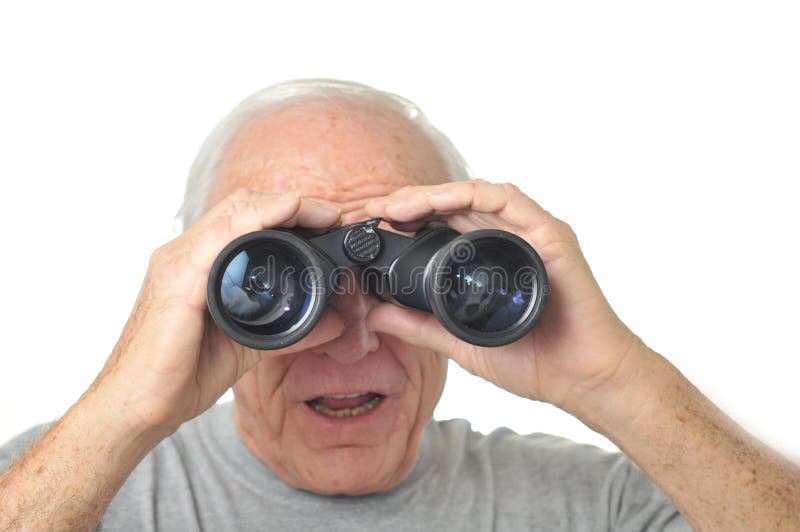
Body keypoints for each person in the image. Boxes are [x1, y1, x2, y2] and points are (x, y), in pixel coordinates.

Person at [0, 79, 797, 531]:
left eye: (398, 277)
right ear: (195, 290)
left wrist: (619, 384)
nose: (353, 345)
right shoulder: (69, 484)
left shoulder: (599, 506)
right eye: (276, 282)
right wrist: (120, 414)